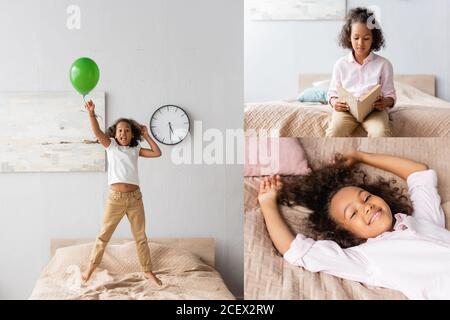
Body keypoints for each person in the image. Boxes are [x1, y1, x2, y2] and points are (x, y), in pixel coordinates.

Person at [258, 150, 450, 299]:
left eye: (366, 198)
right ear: (346, 232)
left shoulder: (422, 221)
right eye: (353, 213)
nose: (366, 208)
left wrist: (361, 156)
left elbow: (418, 172)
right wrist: (268, 203)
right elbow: (296, 250)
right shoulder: (365, 258)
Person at [81, 99, 162, 287]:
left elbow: (157, 153)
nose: (123, 133)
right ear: (115, 134)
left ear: (132, 133)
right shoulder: (111, 146)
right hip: (115, 199)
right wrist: (91, 113)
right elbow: (96, 132)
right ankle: (90, 268)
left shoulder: (135, 149)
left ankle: (148, 271)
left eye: (127, 130)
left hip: (135, 199)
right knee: (103, 236)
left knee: (140, 237)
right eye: (120, 130)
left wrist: (146, 134)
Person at [326, 7, 396, 137]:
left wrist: (385, 102)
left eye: (366, 38)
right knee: (335, 131)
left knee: (380, 132)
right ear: (349, 37)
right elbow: (332, 93)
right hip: (347, 111)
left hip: (374, 111)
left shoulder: (384, 65)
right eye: (356, 37)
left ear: (374, 38)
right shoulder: (340, 65)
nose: (360, 43)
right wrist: (335, 103)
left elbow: (390, 96)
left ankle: (374, 157)